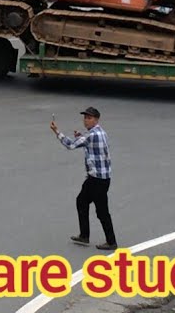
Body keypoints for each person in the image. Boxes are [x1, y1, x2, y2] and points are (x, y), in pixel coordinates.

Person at [50, 106, 117, 250]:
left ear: (96, 119)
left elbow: (70, 145)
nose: (86, 120)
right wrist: (80, 136)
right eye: (85, 117)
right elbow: (89, 144)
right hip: (99, 177)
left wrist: (57, 132)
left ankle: (111, 242)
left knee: (102, 211)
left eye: (89, 118)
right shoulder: (100, 132)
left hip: (97, 179)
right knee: (81, 201)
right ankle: (84, 235)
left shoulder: (91, 136)